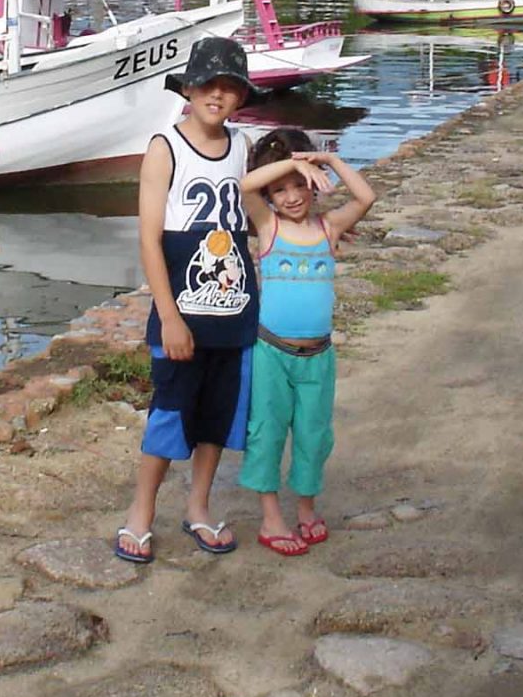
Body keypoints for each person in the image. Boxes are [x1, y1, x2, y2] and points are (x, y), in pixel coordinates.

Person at [115, 36, 260, 563]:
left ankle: (199, 505)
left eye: (229, 87)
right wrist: (170, 317)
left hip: (234, 307)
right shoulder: (165, 147)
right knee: (169, 412)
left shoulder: (243, 146)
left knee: (218, 416)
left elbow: (257, 217)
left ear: (240, 97)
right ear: (190, 88)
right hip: (184, 308)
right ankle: (141, 512)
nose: (217, 96)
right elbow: (150, 239)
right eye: (208, 85)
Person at [237, 128, 376, 556]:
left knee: (315, 435)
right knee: (267, 431)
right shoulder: (268, 227)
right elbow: (243, 187)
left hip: (318, 356)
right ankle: (271, 517)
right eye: (281, 189)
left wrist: (327, 162)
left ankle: (306, 508)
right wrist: (290, 165)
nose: (292, 195)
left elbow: (366, 198)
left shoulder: (329, 228)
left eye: (300, 186)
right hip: (271, 353)